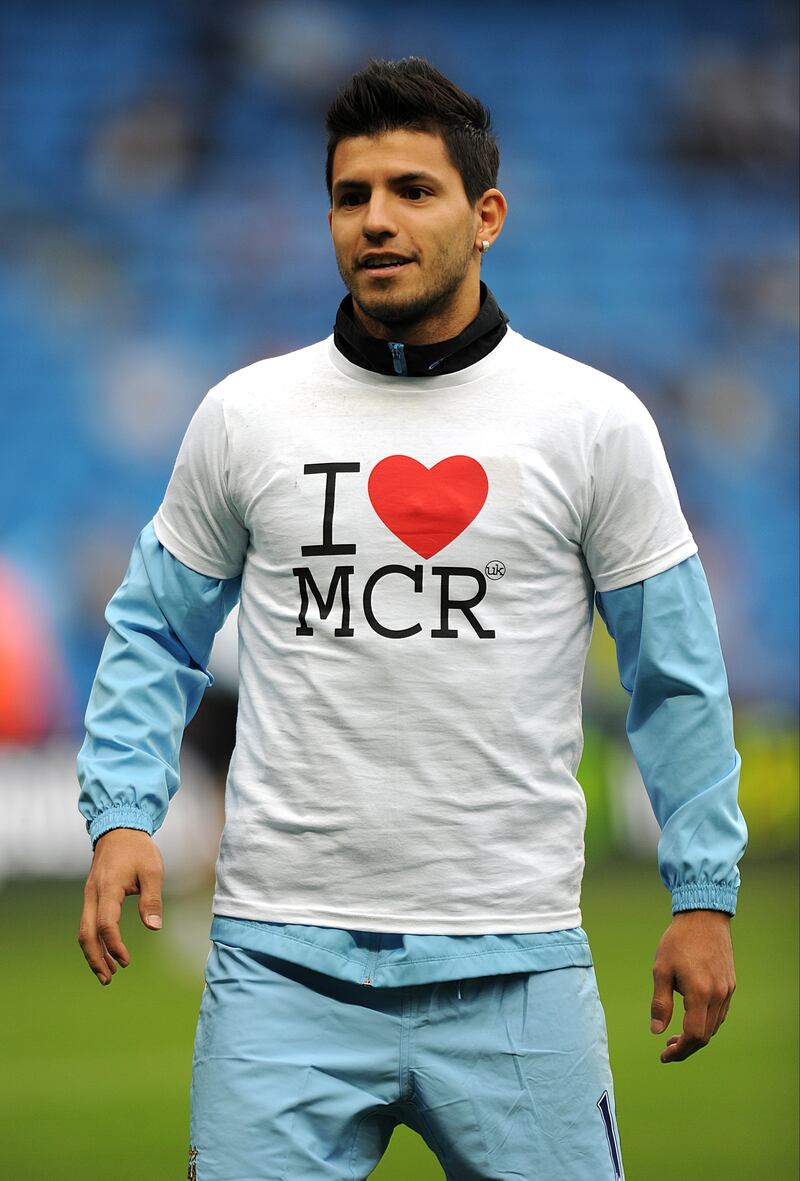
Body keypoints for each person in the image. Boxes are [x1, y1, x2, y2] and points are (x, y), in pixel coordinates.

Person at [77, 57, 747, 1181]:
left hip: (517, 969)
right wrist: (121, 812)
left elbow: (673, 669)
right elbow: (152, 626)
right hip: (278, 971)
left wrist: (703, 893)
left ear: (485, 215)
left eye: (411, 190)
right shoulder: (245, 414)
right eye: (351, 196)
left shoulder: (592, 421)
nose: (375, 220)